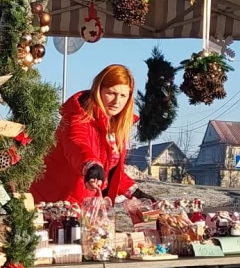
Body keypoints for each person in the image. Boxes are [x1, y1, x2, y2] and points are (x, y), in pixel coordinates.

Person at [30, 64, 156, 205]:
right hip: (54, 201)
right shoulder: (78, 116)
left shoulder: (113, 126)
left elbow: (108, 172)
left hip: (82, 205)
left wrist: (134, 192)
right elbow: (77, 144)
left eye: (123, 95)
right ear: (98, 90)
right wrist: (90, 166)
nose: (117, 101)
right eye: (111, 93)